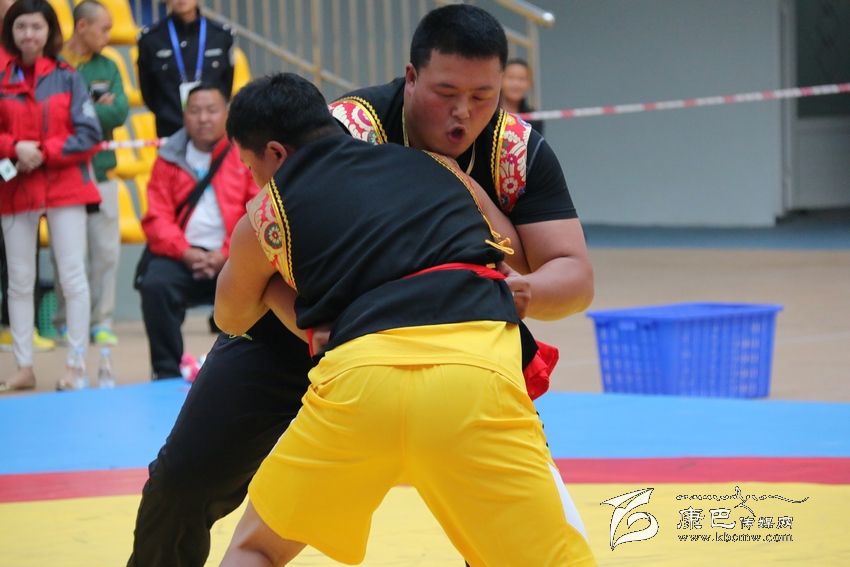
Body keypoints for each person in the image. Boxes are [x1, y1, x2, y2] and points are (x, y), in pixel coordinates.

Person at [127, 5, 593, 566]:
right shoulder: (346, 130)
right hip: (311, 323)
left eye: (483, 96)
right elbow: (262, 248)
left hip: (446, 330)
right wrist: (297, 316)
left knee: (502, 529)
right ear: (411, 77)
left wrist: (527, 292)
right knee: (183, 478)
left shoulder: (515, 150)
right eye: (446, 92)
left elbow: (574, 274)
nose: (463, 112)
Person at [0, 0, 102, 392]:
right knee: (19, 281)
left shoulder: (68, 77)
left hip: (65, 187)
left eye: (36, 27)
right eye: (21, 26)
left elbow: (89, 134)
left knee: (73, 276)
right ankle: (23, 366)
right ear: (10, 31)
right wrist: (13, 147)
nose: (28, 34)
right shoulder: (2, 77)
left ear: (49, 32)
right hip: (15, 188)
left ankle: (75, 365)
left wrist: (42, 150)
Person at [137, 83, 256, 379]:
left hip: (233, 255)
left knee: (266, 283)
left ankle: (250, 371)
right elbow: (156, 217)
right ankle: (166, 372)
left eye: (211, 110)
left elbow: (255, 210)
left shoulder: (244, 154)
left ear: (226, 114)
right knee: (155, 285)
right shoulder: (168, 157)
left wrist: (225, 253)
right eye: (195, 111)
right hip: (181, 255)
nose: (203, 118)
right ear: (184, 116)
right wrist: (185, 252)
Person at [51, 0, 128, 347]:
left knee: (106, 252)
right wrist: (93, 110)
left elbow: (120, 113)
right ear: (82, 26)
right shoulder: (55, 63)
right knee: (66, 254)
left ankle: (101, 321)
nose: (109, 36)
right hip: (65, 173)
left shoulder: (108, 65)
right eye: (104, 28)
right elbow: (52, 117)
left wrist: (77, 114)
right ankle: (65, 321)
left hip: (101, 172)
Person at [0, 0, 56, 355]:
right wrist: (12, 147)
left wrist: (29, 152)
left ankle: (18, 329)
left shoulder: (52, 70)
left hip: (16, 178)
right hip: (11, 162)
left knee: (18, 261)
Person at [137, 0, 234, 137]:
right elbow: (148, 91)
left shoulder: (221, 35)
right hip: (170, 129)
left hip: (212, 131)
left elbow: (226, 86)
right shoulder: (151, 38)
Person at [500, 57, 544, 135]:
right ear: (500, 80)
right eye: (510, 78)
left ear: (530, 83)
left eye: (522, 79)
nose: (516, 84)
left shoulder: (534, 118)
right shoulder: (488, 113)